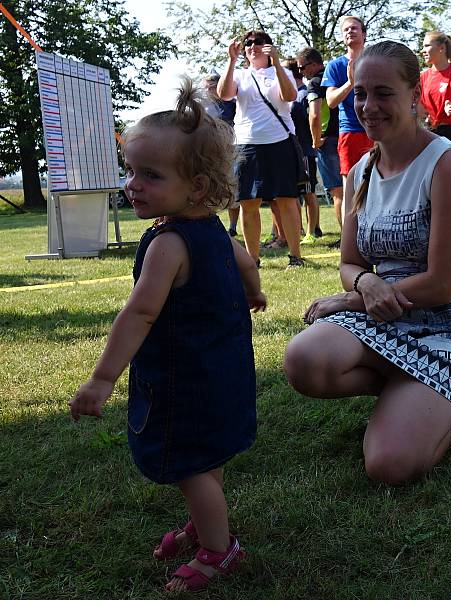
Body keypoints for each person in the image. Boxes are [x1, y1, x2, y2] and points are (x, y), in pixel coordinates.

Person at [69, 77, 266, 593]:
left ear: (195, 188)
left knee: (189, 465)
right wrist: (254, 290)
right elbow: (244, 259)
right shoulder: (212, 229)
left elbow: (139, 314)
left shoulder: (168, 243)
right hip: (223, 369)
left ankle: (220, 552)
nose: (133, 184)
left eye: (150, 175)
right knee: (207, 457)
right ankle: (207, 525)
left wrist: (101, 379)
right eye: (131, 170)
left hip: (186, 377)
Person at [283, 41, 451, 485]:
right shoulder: (363, 170)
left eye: (383, 93)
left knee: (389, 466)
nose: (369, 106)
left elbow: (442, 285)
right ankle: (428, 389)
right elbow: (351, 262)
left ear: (413, 95)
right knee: (304, 360)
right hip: (384, 313)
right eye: (361, 94)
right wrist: (365, 285)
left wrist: (353, 299)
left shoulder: (446, 165)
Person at [218, 30, 305, 269]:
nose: (253, 46)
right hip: (247, 143)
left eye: (258, 42)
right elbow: (224, 94)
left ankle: (295, 257)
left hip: (280, 141)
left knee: (286, 199)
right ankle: (252, 259)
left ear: (269, 47)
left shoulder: (282, 72)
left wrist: (276, 62)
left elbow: (289, 95)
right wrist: (231, 59)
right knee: (248, 202)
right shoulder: (240, 74)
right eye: (248, 44)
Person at [322, 15, 374, 248]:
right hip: (350, 131)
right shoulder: (335, 66)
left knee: (383, 181)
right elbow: (331, 101)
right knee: (350, 185)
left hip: (379, 129)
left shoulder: (376, 61)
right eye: (345, 30)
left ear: (364, 33)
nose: (350, 32)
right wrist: (350, 83)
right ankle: (350, 240)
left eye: (354, 28)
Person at [298, 47, 339, 238]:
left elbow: (314, 115)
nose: (301, 72)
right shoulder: (336, 77)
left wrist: (315, 140)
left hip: (327, 140)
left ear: (314, 64)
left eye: (302, 67)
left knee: (337, 192)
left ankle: (346, 237)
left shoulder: (314, 83)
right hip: (345, 135)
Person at [282, 58, 321, 246]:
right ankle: (298, 229)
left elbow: (313, 119)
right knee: (293, 194)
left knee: (308, 192)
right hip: (290, 150)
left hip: (304, 150)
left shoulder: (303, 94)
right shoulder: (290, 94)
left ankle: (312, 231)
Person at [201, 73, 240, 236]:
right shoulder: (202, 106)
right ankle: (210, 224)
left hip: (230, 152)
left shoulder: (232, 103)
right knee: (208, 190)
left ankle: (232, 227)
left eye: (209, 86)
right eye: (205, 87)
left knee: (233, 191)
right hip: (209, 154)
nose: (206, 90)